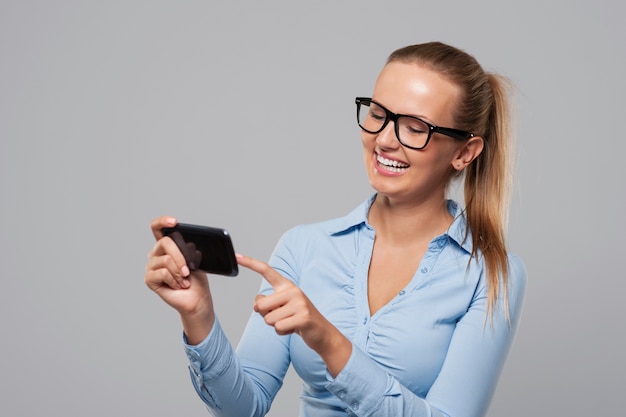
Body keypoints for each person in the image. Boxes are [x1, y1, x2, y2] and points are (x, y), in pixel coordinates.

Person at [144, 41, 526, 417]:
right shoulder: (303, 247)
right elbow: (242, 408)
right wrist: (199, 316)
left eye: (415, 127)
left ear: (464, 153)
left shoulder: (491, 275)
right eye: (378, 114)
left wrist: (330, 342)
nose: (385, 139)